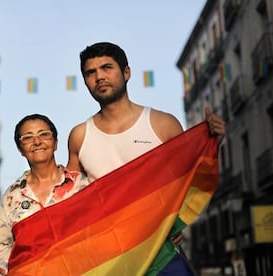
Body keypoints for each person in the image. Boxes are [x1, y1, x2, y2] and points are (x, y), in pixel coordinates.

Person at [66, 42, 226, 275]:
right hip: (108, 259)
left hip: (160, 252)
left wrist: (212, 144)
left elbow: (187, 179)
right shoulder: (79, 136)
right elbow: (71, 199)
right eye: (91, 72)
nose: (99, 76)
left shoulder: (163, 124)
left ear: (126, 73)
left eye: (107, 67)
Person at [0, 114, 89, 275]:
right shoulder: (12, 197)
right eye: (27, 138)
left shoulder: (81, 185)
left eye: (44, 134)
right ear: (20, 149)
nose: (37, 142)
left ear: (56, 143)